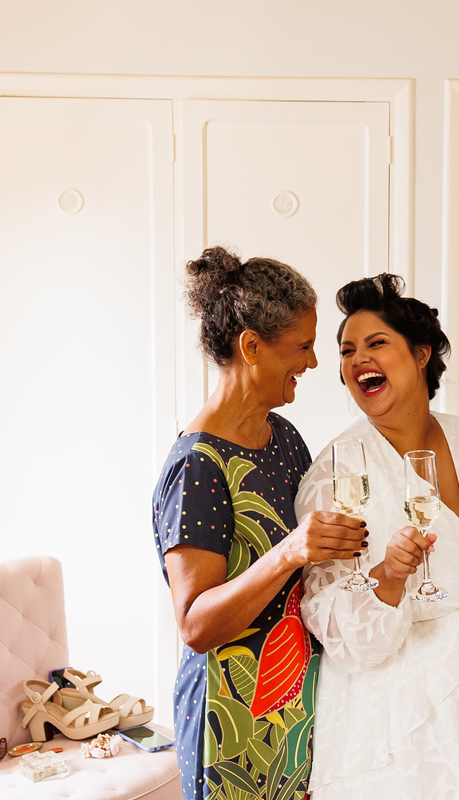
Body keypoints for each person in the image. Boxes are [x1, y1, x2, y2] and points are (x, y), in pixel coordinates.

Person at [297, 274, 459, 799]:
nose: (358, 359)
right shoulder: (339, 470)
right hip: (405, 726)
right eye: (347, 351)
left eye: (376, 343)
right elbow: (328, 619)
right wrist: (388, 576)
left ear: (421, 354)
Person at [151, 246, 367, 800]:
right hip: (228, 722)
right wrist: (290, 551)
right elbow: (196, 626)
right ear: (251, 347)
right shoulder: (197, 465)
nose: (313, 363)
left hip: (295, 706)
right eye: (302, 346)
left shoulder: (285, 438)